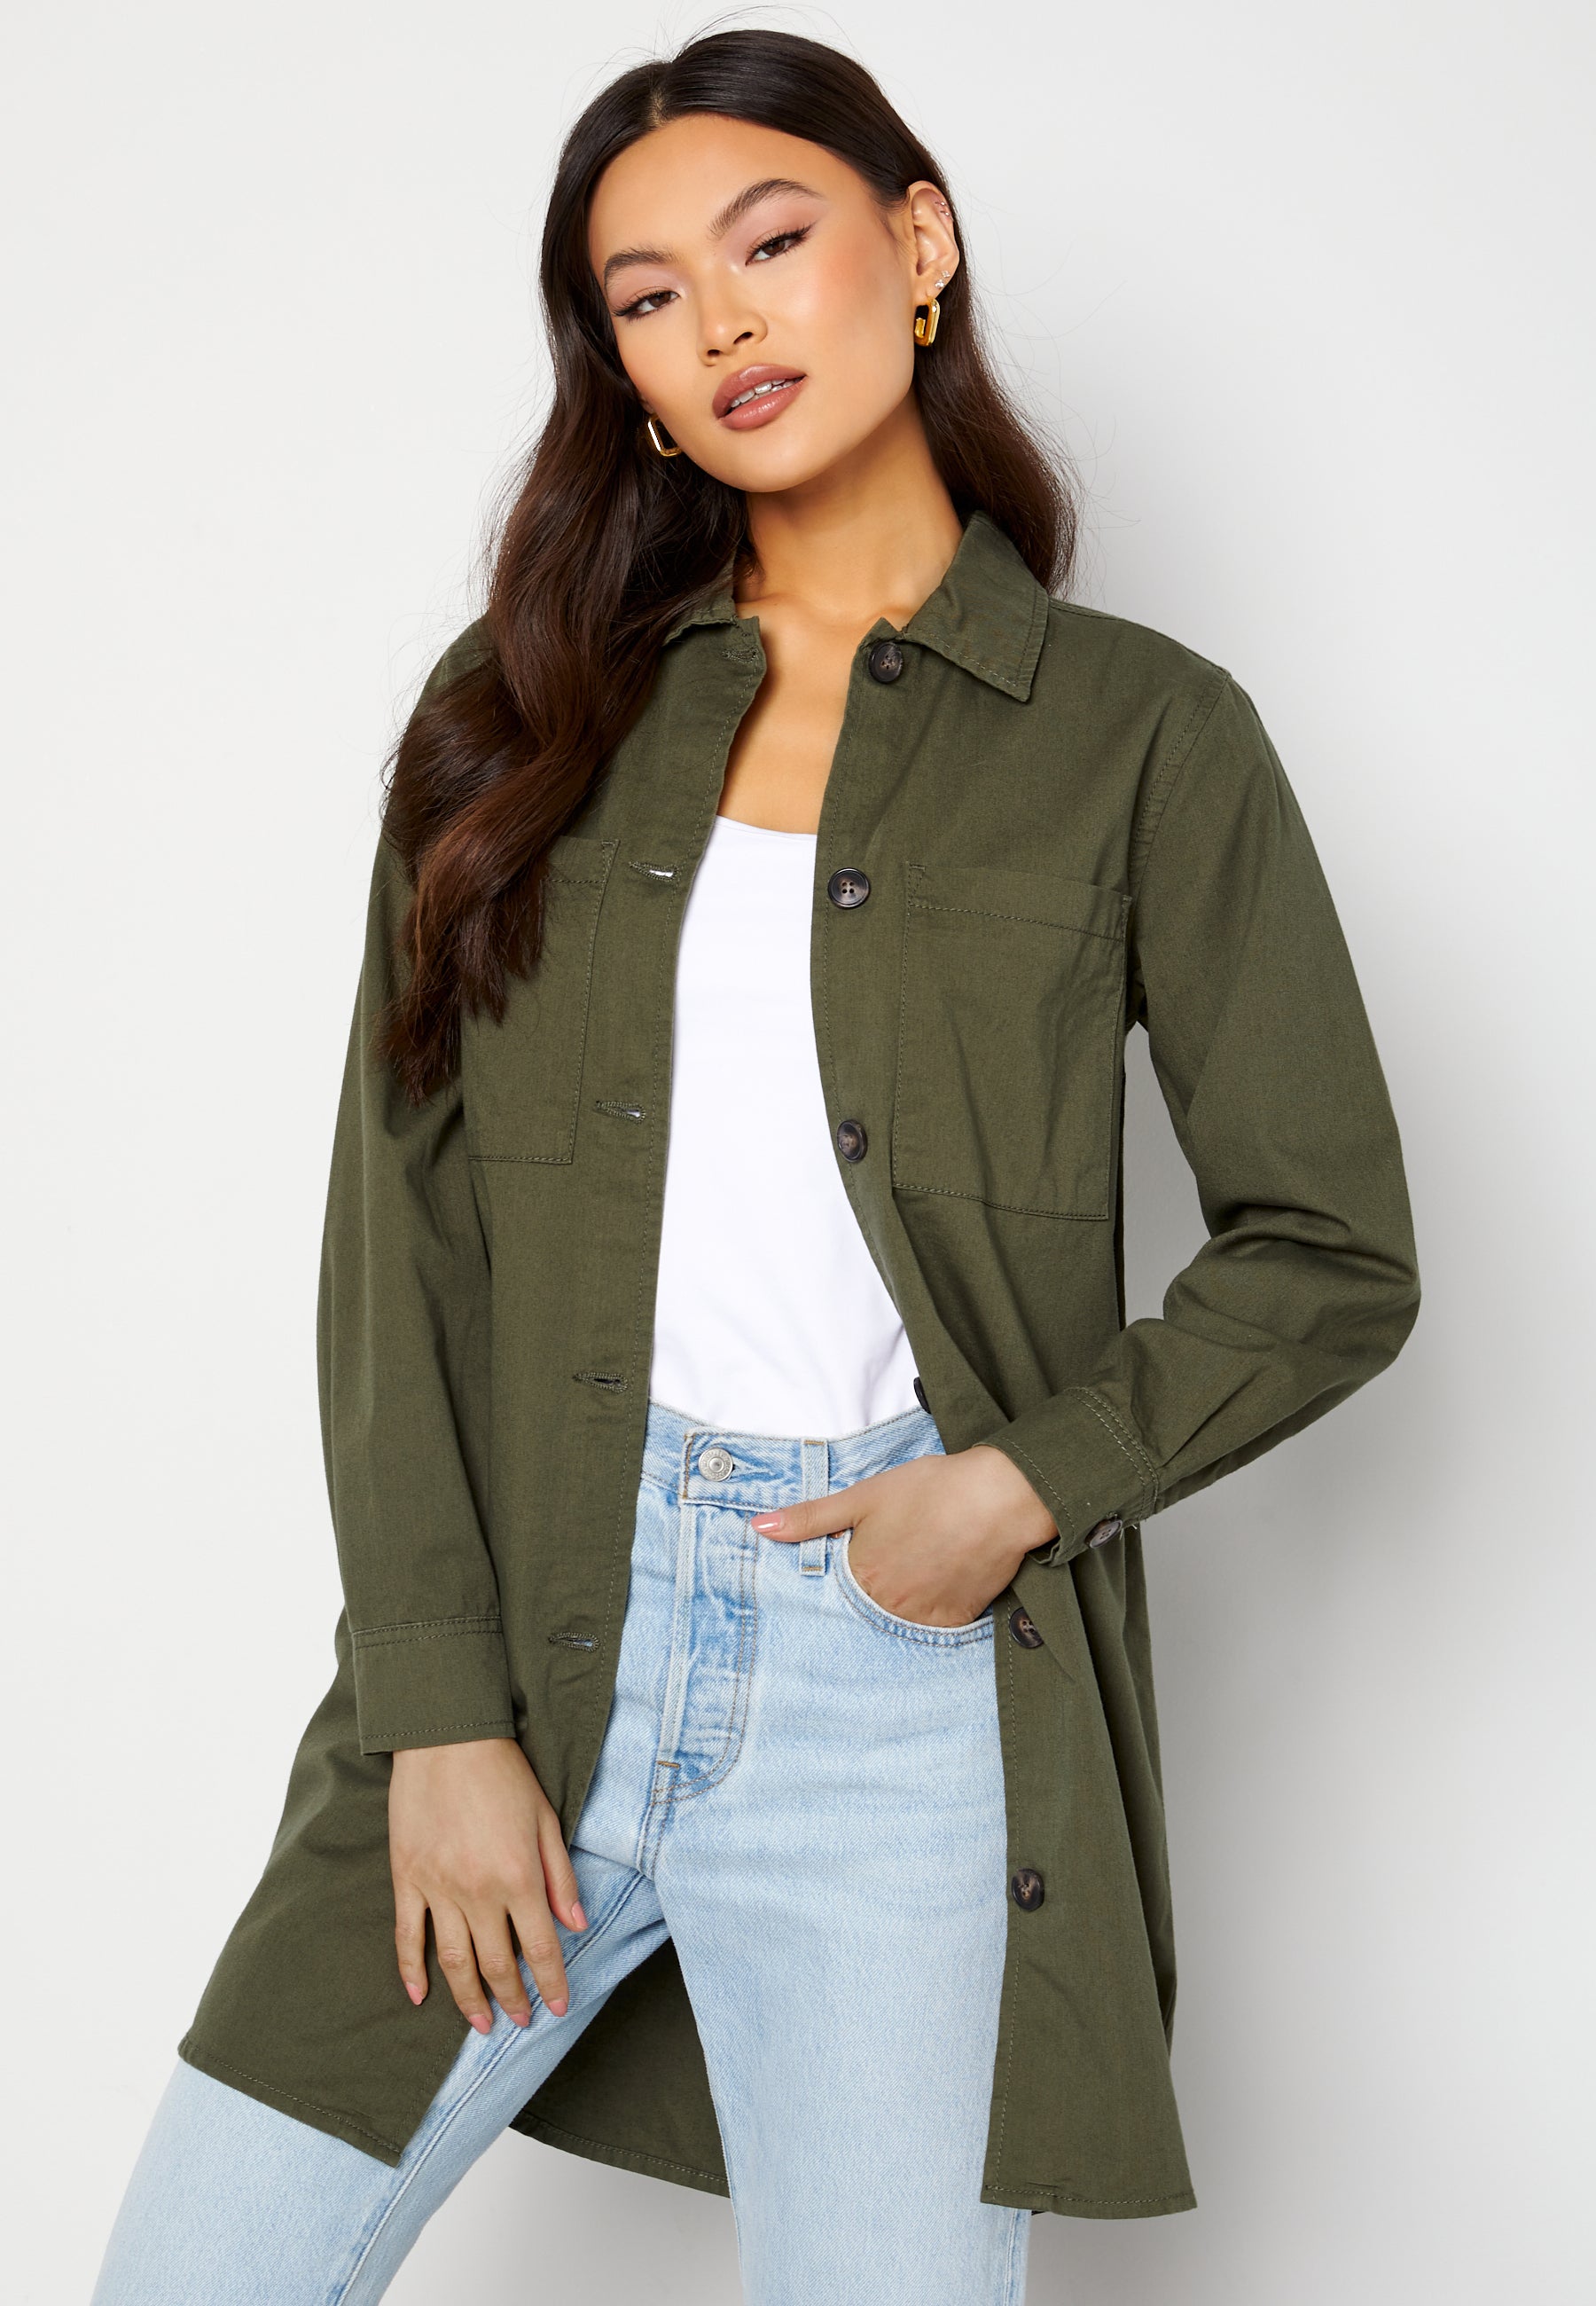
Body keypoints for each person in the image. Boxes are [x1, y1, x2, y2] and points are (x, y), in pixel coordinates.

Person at [90, 27, 1420, 2306]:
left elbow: (1331, 1249)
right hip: (526, 1643)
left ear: (919, 243)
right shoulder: (518, 713)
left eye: (770, 242)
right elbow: (400, 1238)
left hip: (898, 1685)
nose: (719, 322)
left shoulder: (1143, 739)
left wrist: (1011, 1491)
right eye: (645, 295)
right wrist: (436, 1710)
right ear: (617, 371)